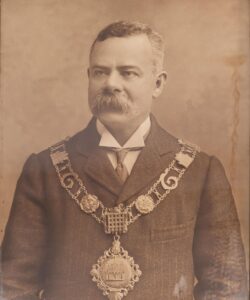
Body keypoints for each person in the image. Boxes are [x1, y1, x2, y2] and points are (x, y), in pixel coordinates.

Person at [1, 21, 247, 300]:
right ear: (89, 77)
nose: (110, 84)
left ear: (157, 83)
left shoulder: (200, 172)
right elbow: (13, 287)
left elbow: (226, 286)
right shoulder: (44, 170)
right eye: (100, 73)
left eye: (128, 73)